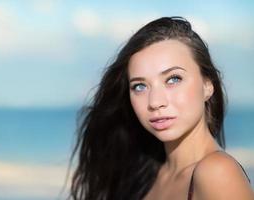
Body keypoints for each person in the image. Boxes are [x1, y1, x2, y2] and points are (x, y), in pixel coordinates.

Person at [68, 16, 253, 200]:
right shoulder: (146, 172)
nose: (155, 102)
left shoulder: (217, 173)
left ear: (207, 86)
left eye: (173, 79)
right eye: (139, 86)